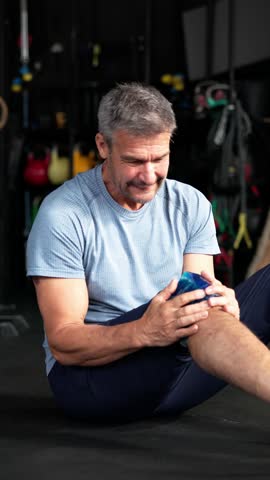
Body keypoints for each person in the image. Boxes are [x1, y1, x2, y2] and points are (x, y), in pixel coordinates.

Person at [26, 82, 270, 422]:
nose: (149, 175)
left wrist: (224, 304)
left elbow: (202, 299)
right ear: (102, 146)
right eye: (134, 160)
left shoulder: (190, 203)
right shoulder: (63, 215)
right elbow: (64, 342)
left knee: (204, 302)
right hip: (90, 384)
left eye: (159, 158)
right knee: (194, 307)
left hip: (174, 375)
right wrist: (146, 330)